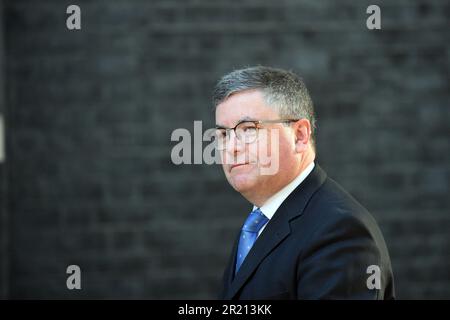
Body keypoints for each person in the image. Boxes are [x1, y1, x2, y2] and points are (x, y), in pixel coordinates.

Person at [213, 66, 395, 300]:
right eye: (223, 135)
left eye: (248, 129)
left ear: (299, 136)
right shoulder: (256, 225)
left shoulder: (340, 231)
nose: (232, 147)